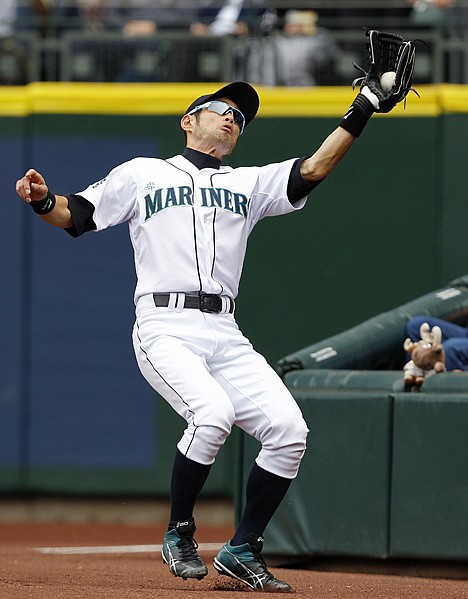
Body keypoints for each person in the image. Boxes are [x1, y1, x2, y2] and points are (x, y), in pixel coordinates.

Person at [16, 77, 391, 592]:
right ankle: (179, 532)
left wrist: (366, 105)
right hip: (164, 324)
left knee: (289, 432)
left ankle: (242, 548)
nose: (232, 117)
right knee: (212, 414)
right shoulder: (143, 174)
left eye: (240, 116)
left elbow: (314, 169)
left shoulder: (248, 184)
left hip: (224, 329)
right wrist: (41, 201)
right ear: (187, 121)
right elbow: (76, 214)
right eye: (222, 109)